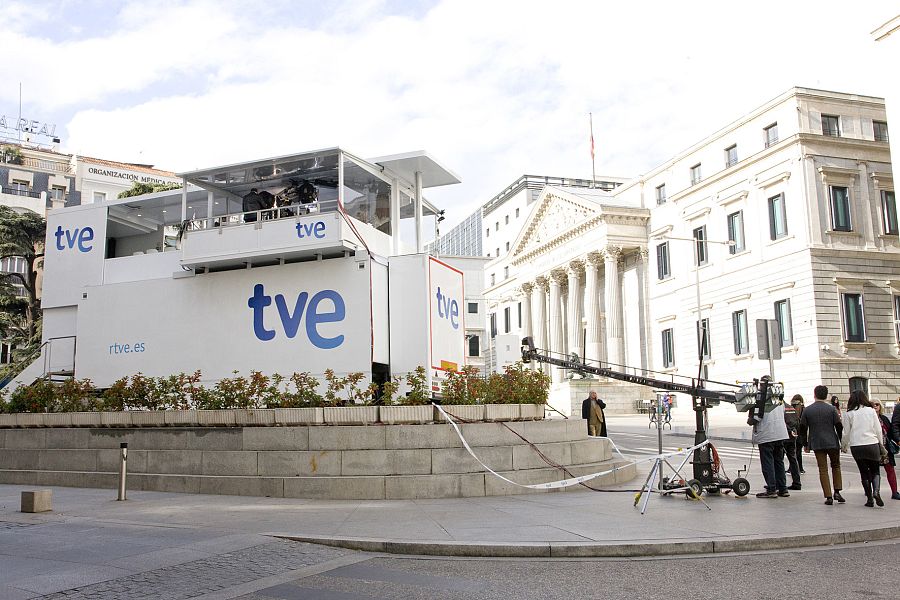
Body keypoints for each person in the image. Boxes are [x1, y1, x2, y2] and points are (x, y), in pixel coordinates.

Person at [798, 385, 844, 505]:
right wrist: (841, 441)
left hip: (817, 442)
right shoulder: (832, 409)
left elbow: (802, 428)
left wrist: (805, 444)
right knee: (836, 466)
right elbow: (838, 426)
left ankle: (828, 496)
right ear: (826, 396)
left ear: (814, 395)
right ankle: (837, 491)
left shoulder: (808, 410)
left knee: (822, 469)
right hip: (832, 441)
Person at [841, 390, 885, 507]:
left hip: (857, 446)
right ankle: (876, 491)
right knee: (875, 470)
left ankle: (869, 499)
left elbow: (845, 433)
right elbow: (878, 429)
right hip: (872, 443)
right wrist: (880, 444)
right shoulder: (871, 411)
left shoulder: (849, 414)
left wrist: (844, 445)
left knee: (864, 472)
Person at [752, 394, 790, 498]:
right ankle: (783, 488)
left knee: (767, 462)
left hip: (766, 435)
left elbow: (755, 418)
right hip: (780, 433)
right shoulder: (779, 400)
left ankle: (771, 488)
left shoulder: (760, 400)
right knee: (779, 462)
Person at [872, 399, 900, 500]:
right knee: (874, 471)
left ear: (880, 406)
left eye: (877, 404)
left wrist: (897, 440)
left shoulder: (884, 418)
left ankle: (894, 492)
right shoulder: (868, 418)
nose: (875, 406)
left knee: (890, 470)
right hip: (873, 447)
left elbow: (891, 431)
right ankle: (874, 491)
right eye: (872, 404)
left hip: (885, 449)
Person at [782, 398, 802, 490]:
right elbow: (797, 422)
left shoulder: (779, 408)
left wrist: (788, 431)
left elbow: (781, 422)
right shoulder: (791, 408)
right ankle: (797, 482)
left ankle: (780, 483)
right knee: (793, 459)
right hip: (792, 437)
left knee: (779, 461)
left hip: (783, 436)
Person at [792, 395, 806, 474]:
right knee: (798, 451)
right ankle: (800, 468)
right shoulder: (804, 408)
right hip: (801, 432)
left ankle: (794, 468)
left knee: (795, 452)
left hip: (796, 432)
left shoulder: (794, 408)